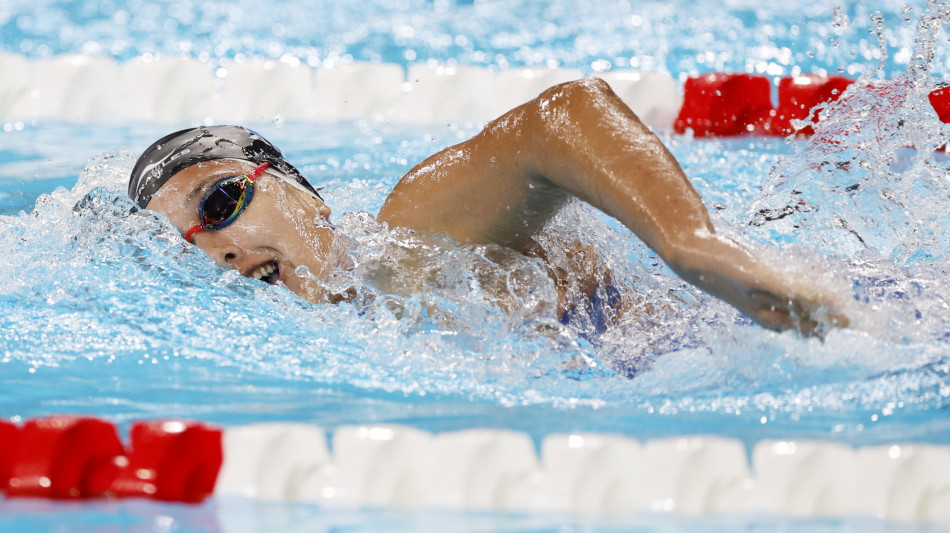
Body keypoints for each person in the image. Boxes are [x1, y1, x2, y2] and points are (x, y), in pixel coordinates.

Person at [129, 78, 847, 336]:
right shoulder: (359, 325)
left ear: (294, 186)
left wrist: (693, 245)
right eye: (185, 247)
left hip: (795, 310)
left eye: (220, 202)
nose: (216, 250)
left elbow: (560, 115)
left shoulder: (405, 238)